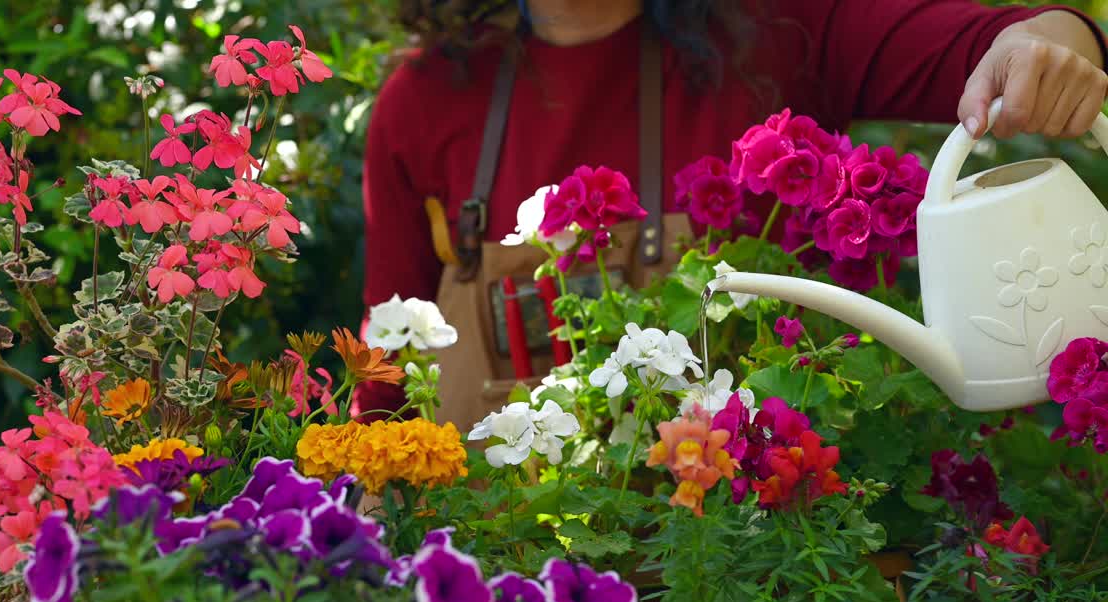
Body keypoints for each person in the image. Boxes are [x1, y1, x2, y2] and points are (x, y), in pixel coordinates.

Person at [358, 0, 1108, 430]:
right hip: (509, 592)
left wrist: (1046, 54)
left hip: (767, 570)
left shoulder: (779, 29)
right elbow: (387, 369)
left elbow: (1014, 40)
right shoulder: (425, 99)